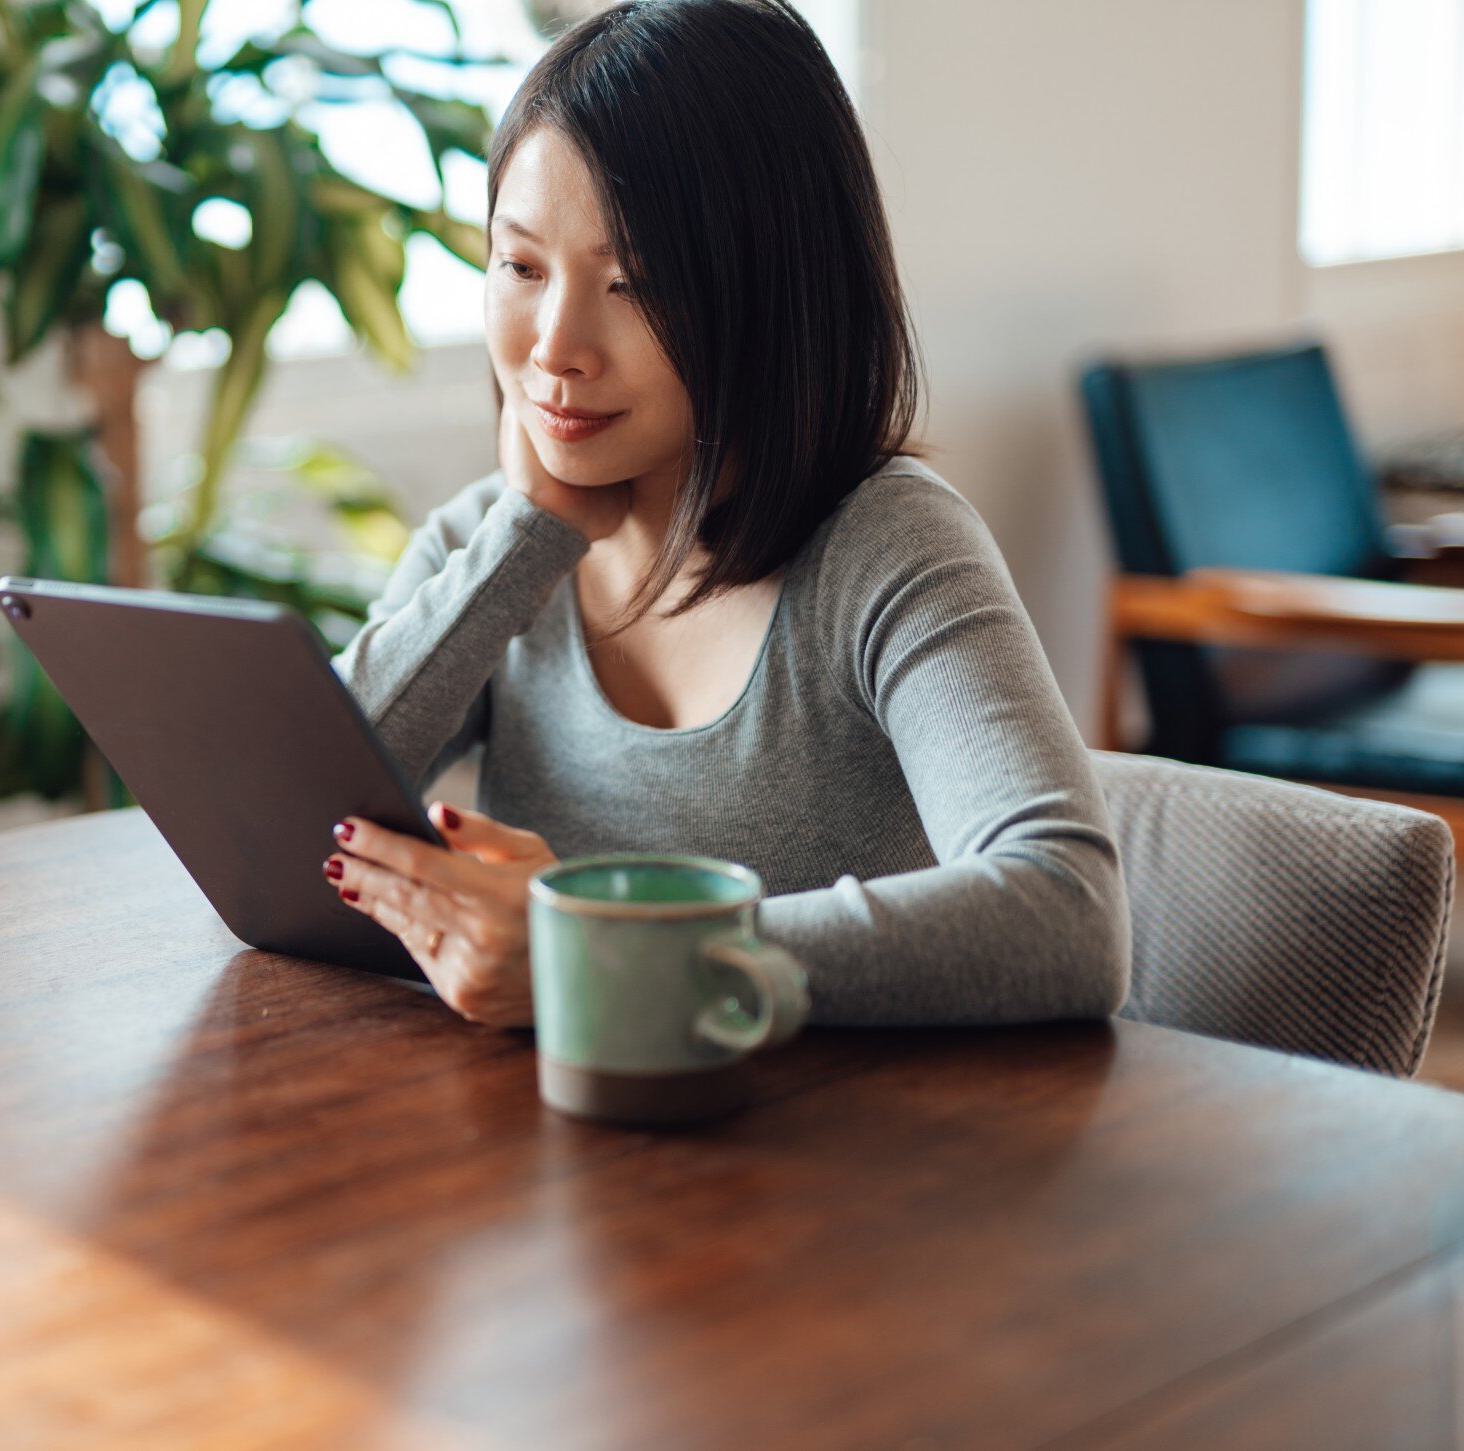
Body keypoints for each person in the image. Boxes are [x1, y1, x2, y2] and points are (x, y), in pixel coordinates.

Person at [323, 0, 1131, 1029]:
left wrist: (604, 952)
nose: (554, 346)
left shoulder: (886, 547)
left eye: (634, 283)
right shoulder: (487, 546)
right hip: (569, 1152)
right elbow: (296, 831)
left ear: (772, 293)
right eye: (520, 266)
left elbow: (1067, 915)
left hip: (838, 1161)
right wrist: (522, 544)